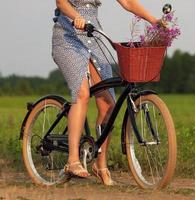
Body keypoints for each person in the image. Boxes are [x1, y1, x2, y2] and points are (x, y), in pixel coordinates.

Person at [52, 0, 160, 186]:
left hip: (94, 38)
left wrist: (153, 20)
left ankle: (100, 167)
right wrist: (77, 17)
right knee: (82, 94)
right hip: (67, 38)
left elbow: (127, 2)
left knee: (108, 105)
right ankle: (72, 161)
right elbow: (62, 3)